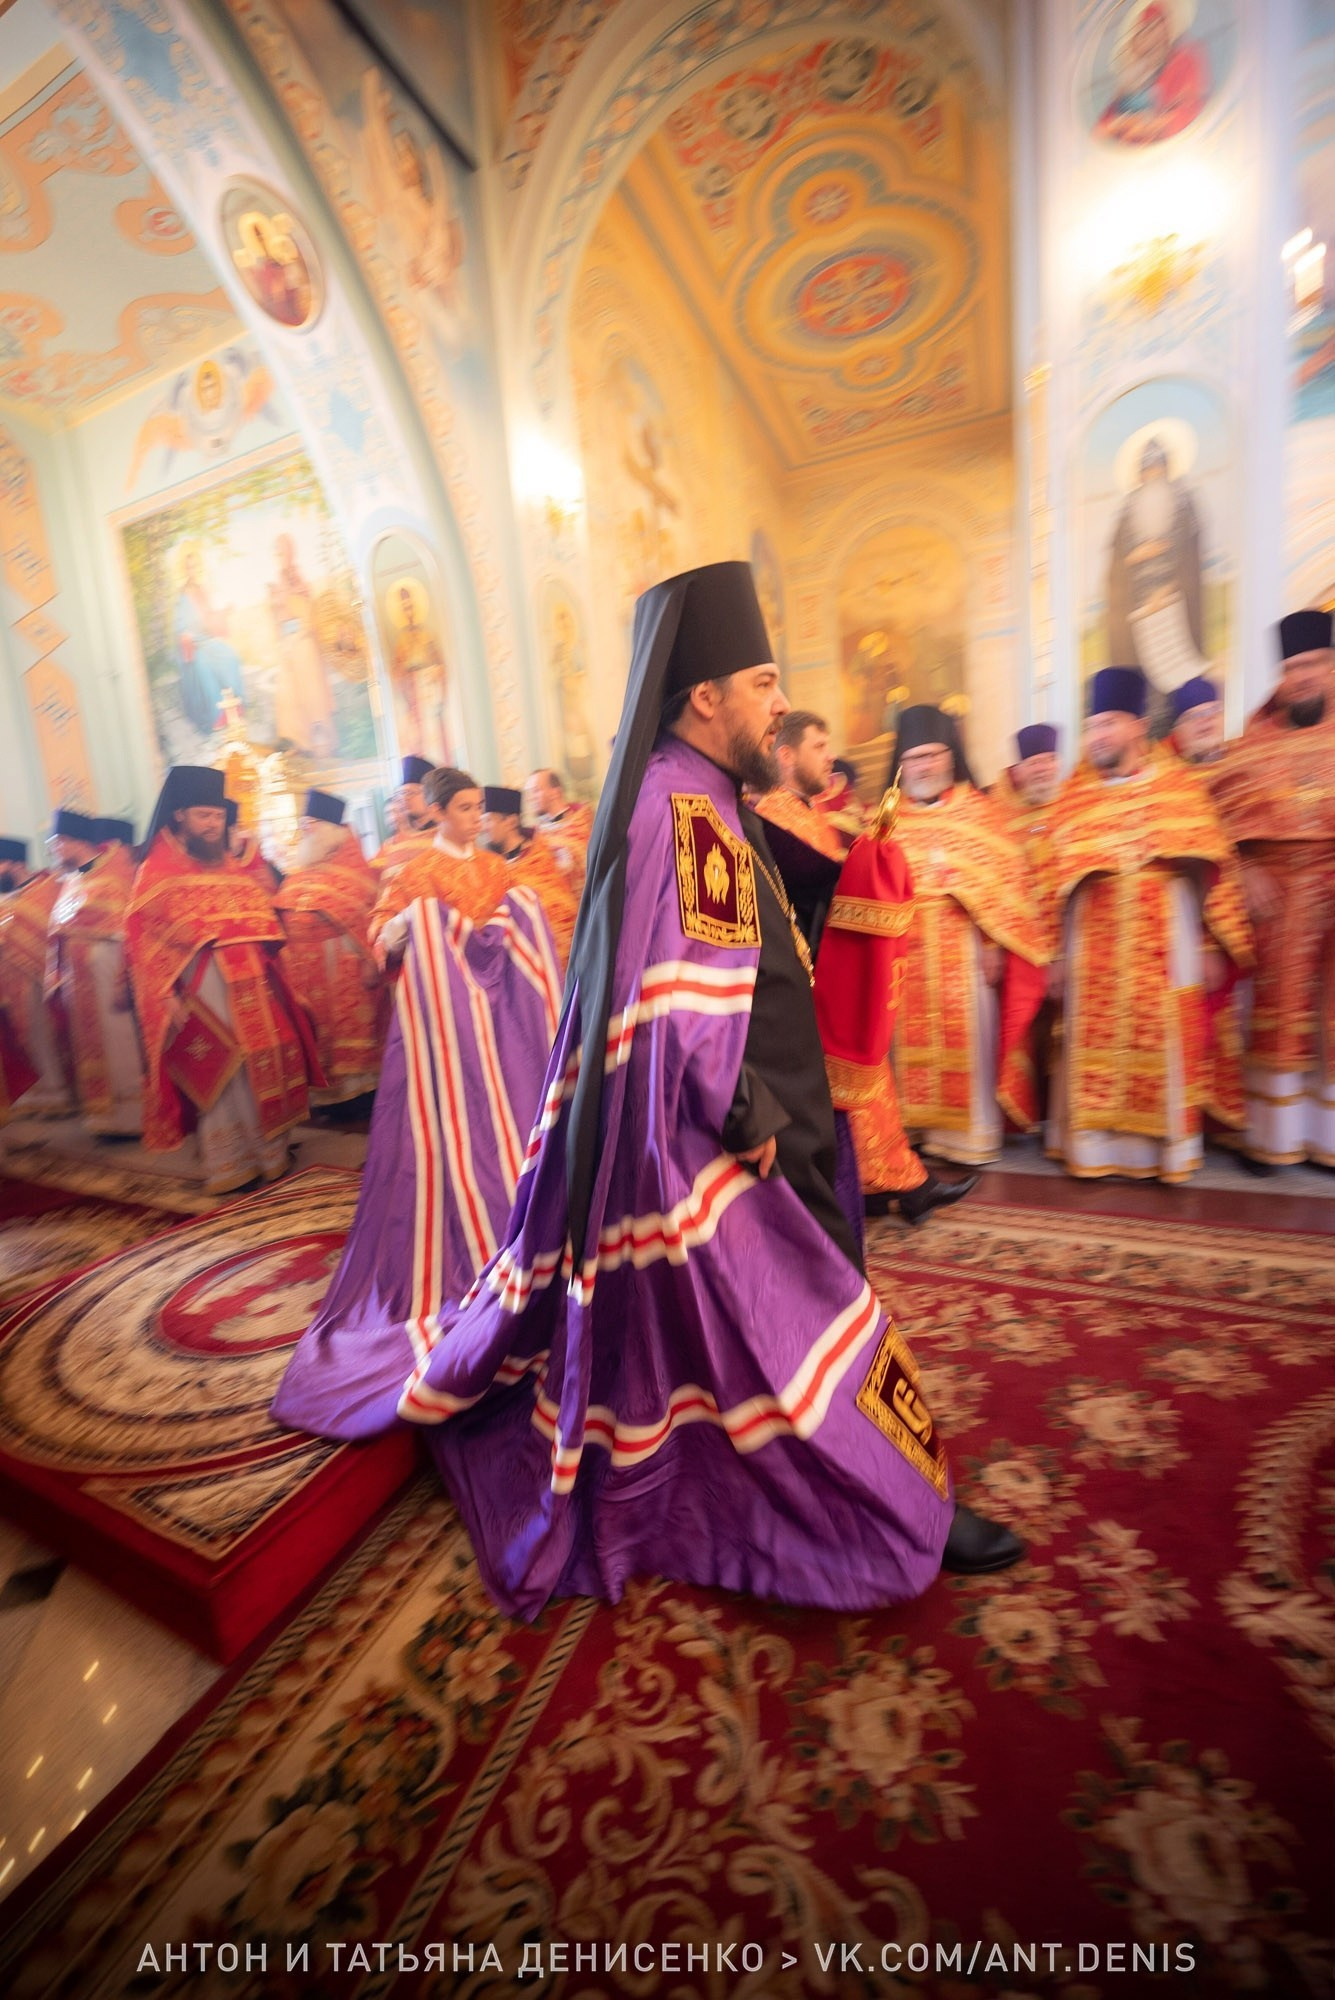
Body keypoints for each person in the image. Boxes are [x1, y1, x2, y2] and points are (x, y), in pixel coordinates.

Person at [274, 559, 1022, 1622]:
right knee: (789, 1333)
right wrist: (750, 1120)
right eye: (762, 683)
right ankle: (888, 1513)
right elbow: (675, 999)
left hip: (744, 1116)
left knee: (788, 1334)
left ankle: (880, 1492)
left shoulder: (700, 790)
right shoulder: (682, 808)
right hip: (724, 1140)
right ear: (705, 696)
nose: (780, 701)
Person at [1047, 667, 1252, 1183]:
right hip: (1091, 941)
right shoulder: (1074, 797)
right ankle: (1093, 1150)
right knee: (1091, 1044)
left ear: (1138, 726)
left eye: (1108, 724)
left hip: (1167, 937)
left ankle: (1165, 1153)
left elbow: (1213, 873)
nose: (1097, 737)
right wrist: (1055, 955)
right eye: (1091, 727)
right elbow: (1049, 885)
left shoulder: (1178, 788)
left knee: (1164, 1042)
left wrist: (1210, 945)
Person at [125, 765, 323, 1196]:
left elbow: (262, 920)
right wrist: (164, 995)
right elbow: (142, 942)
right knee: (221, 1071)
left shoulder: (230, 867)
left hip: (253, 985)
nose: (213, 825)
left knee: (260, 1064)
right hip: (203, 991)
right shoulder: (156, 872)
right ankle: (230, 1162)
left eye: (218, 816)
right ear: (179, 815)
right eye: (204, 816)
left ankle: (270, 1155)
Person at [889, 706, 1049, 1165]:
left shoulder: (981, 813)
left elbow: (1006, 888)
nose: (923, 766)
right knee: (903, 1045)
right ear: (901, 765)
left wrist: (994, 944)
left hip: (965, 951)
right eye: (914, 758)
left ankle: (966, 1138)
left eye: (932, 755)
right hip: (904, 954)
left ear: (950, 756)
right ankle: (915, 1129)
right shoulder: (886, 820)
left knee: (971, 1043)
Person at [814, 793, 978, 1224]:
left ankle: (893, 1184)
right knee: (852, 1077)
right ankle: (892, 1185)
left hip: (826, 959)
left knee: (867, 1071)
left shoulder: (806, 813)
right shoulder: (778, 813)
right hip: (811, 967)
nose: (829, 761)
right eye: (818, 750)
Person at [1209, 611, 1335, 1171]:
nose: (1300, 677)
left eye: (1311, 665)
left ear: (1331, 668)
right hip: (1274, 903)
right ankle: (1273, 1139)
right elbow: (1208, 825)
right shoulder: (1248, 747)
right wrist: (1243, 868)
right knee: (1272, 1015)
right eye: (1290, 668)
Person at [273, 790, 385, 1108]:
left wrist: (370, 959)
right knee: (314, 1030)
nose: (305, 831)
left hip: (343, 964)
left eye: (311, 825)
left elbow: (365, 915)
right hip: (303, 968)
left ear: (330, 830)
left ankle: (356, 1096)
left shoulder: (358, 870)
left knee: (346, 1031)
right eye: (303, 825)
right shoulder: (301, 871)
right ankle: (323, 1097)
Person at [45, 809, 143, 1137]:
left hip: (106, 974)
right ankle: (103, 1118)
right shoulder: (73, 880)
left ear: (74, 841)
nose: (54, 851)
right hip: (79, 980)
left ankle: (132, 1117)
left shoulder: (112, 876)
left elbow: (126, 933)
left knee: (118, 1042)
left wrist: (122, 981)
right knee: (90, 1046)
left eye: (57, 843)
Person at [369, 767, 516, 964]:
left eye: (479, 807)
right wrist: (410, 918)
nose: (476, 818)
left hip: (499, 972)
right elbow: (381, 933)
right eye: (465, 808)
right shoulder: (414, 874)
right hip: (451, 976)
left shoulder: (495, 865)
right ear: (437, 812)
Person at [1106, 436, 1205, 728]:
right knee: (1142, 671)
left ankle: (1174, 724)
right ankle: (1148, 727)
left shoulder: (1183, 503)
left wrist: (1170, 589)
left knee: (1174, 671)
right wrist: (1134, 557)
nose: (1153, 475)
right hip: (1137, 605)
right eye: (1148, 470)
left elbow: (1191, 554)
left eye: (1158, 468)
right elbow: (1117, 559)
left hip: (1173, 600)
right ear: (1140, 474)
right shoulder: (1129, 509)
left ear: (1167, 469)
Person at [752, 709, 846, 948]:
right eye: (819, 747)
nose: (831, 756)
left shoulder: (812, 807)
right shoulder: (773, 817)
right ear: (786, 756)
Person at [0, 820, 71, 1118]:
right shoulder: (7, 899)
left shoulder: (46, 888)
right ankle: (35, 1097)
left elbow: (49, 930)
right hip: (10, 984)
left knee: (45, 1036)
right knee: (23, 1038)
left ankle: (58, 1095)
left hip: (39, 977)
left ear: (15, 863)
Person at [480, 785, 578, 968]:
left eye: (488, 820)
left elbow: (562, 912)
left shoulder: (543, 858)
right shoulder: (488, 867)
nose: (483, 828)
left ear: (510, 822)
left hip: (557, 960)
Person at [522, 768, 594, 898]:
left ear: (555, 792)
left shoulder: (584, 823)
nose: (530, 799)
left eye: (536, 791)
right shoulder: (535, 837)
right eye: (529, 793)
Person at [371, 756, 438, 879]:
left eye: (411, 793)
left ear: (430, 795)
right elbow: (373, 880)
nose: (404, 798)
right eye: (401, 793)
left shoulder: (446, 836)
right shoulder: (390, 845)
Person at [1169, 675, 1225, 768]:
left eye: (1212, 710)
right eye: (1194, 716)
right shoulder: (1165, 770)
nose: (1205, 719)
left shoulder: (1243, 753)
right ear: (1178, 732)